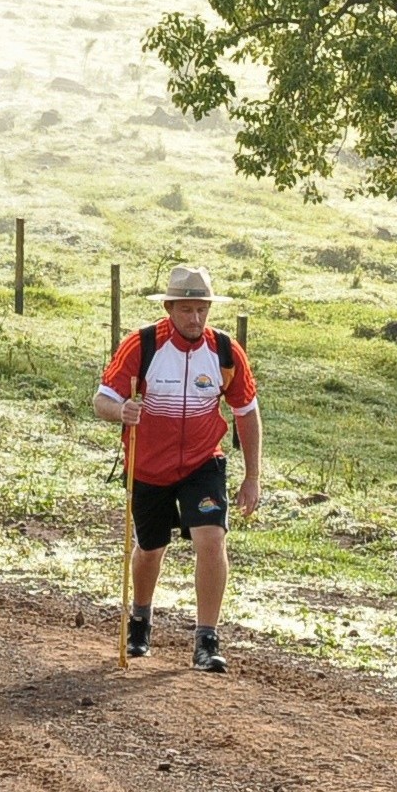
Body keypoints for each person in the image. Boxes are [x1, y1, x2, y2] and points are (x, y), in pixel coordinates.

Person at [93, 266, 262, 673]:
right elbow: (101, 401)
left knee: (211, 540)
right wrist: (122, 411)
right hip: (148, 466)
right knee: (151, 549)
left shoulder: (224, 351)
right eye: (187, 309)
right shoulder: (143, 345)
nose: (195, 319)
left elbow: (247, 413)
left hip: (203, 462)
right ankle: (140, 619)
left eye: (202, 309)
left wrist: (252, 476)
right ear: (169, 308)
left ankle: (207, 639)